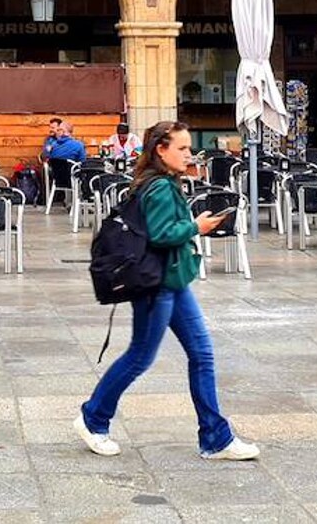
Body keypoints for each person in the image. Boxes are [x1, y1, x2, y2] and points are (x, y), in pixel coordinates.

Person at [76, 120, 259, 462]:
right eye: (182, 148)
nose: (189, 154)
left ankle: (216, 438)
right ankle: (93, 418)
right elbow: (160, 234)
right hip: (156, 285)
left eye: (189, 148)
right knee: (139, 358)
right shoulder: (159, 187)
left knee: (202, 354)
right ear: (161, 149)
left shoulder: (163, 182)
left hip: (173, 281)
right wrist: (196, 226)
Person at [41, 118, 87, 201]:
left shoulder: (52, 146)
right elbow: (82, 162)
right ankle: (82, 201)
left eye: (58, 130)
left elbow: (45, 156)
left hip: (57, 178)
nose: (56, 132)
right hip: (73, 178)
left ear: (63, 132)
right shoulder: (78, 145)